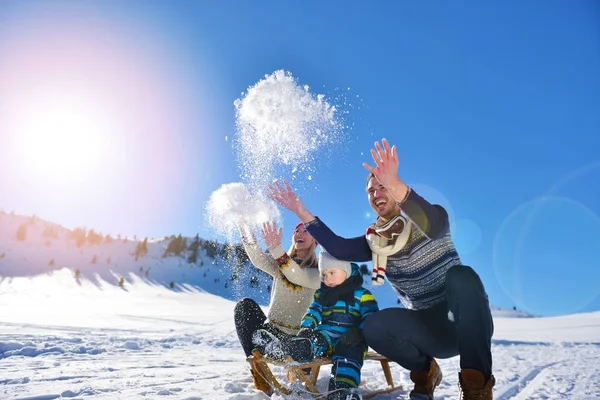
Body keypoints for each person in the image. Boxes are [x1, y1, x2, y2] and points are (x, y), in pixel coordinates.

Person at [266, 138, 495, 400]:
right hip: (429, 331)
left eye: (381, 186)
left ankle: (477, 389)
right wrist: (300, 211)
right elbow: (339, 249)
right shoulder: (375, 244)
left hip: (467, 324)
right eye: (371, 191)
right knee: (373, 325)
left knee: (462, 277)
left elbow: (431, 222)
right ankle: (425, 371)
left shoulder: (430, 219)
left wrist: (395, 183)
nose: (376, 194)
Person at [253, 249, 379, 400]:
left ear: (345, 269)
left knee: (348, 356)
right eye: (324, 275)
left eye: (332, 272)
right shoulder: (323, 294)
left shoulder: (362, 294)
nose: (328, 278)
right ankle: (284, 349)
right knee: (312, 341)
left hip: (352, 338)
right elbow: (314, 311)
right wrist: (306, 328)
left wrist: (360, 332)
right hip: (327, 334)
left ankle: (342, 391)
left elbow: (371, 318)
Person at [234, 220, 321, 394]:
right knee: (244, 307)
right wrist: (245, 230)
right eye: (297, 230)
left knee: (296, 347)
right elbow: (258, 259)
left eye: (306, 231)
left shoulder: (318, 271)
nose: (299, 233)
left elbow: (297, 275)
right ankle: (259, 371)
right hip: (272, 331)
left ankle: (286, 355)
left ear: (316, 241)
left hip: (298, 336)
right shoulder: (281, 265)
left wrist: (276, 249)